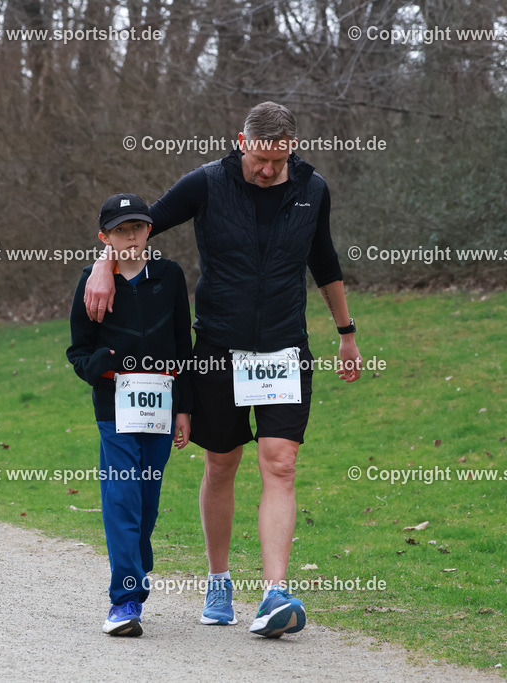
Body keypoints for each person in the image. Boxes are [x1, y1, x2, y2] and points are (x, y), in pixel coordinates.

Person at [83, 103, 362, 638]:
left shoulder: (313, 188)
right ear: (241, 142)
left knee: (280, 463)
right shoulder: (206, 183)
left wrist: (346, 333)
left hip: (283, 348)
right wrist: (102, 264)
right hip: (217, 350)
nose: (267, 169)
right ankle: (218, 579)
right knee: (222, 463)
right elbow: (141, 226)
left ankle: (275, 591)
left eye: (278, 161)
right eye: (260, 158)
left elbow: (323, 260)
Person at [67, 193, 193, 636]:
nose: (131, 236)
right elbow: (78, 353)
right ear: (105, 237)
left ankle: (135, 581)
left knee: (146, 503)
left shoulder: (171, 276)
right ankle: (124, 601)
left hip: (161, 410)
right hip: (114, 412)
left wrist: (185, 409)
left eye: (137, 227)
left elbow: (184, 348)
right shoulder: (91, 281)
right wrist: (105, 360)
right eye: (120, 230)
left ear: (149, 231)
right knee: (121, 500)